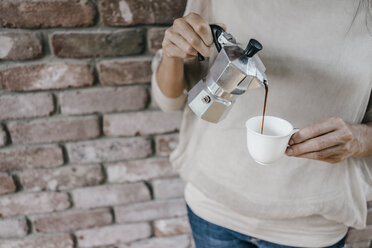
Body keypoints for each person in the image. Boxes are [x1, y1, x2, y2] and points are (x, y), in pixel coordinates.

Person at [151, 0, 372, 247]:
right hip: (213, 204)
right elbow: (170, 99)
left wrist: (360, 138)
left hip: (310, 226)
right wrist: (172, 52)